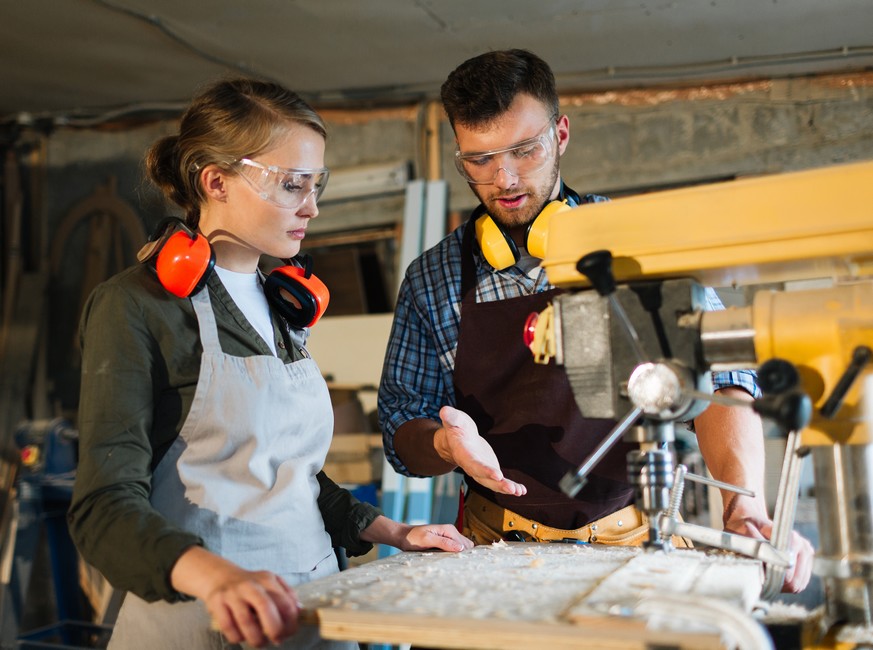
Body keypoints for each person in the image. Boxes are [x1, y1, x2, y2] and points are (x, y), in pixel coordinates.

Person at [377, 49, 813, 593]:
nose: (504, 178)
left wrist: (743, 507)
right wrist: (445, 444)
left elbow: (721, 379)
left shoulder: (638, 248)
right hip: (491, 548)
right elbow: (402, 428)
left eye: (524, 150)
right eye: (480, 160)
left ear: (561, 133)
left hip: (635, 542)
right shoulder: (432, 278)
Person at [67, 78, 472, 650]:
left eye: (315, 184)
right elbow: (103, 509)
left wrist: (396, 532)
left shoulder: (282, 304)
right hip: (205, 618)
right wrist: (217, 578)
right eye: (290, 184)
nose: (312, 206)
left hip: (313, 608)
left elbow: (288, 477)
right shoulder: (137, 305)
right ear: (216, 181)